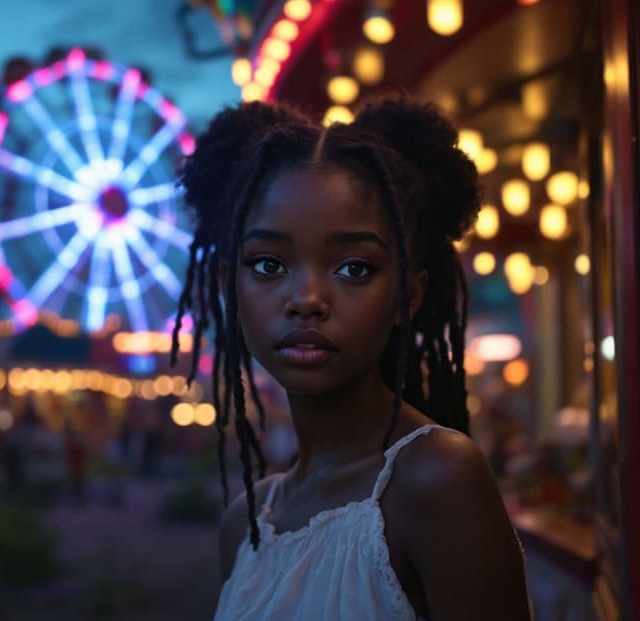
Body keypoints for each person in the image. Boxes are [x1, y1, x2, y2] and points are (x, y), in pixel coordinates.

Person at [170, 95, 532, 620]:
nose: (306, 299)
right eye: (268, 264)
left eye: (354, 268)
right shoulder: (245, 524)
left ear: (408, 296)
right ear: (231, 284)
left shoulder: (438, 480)